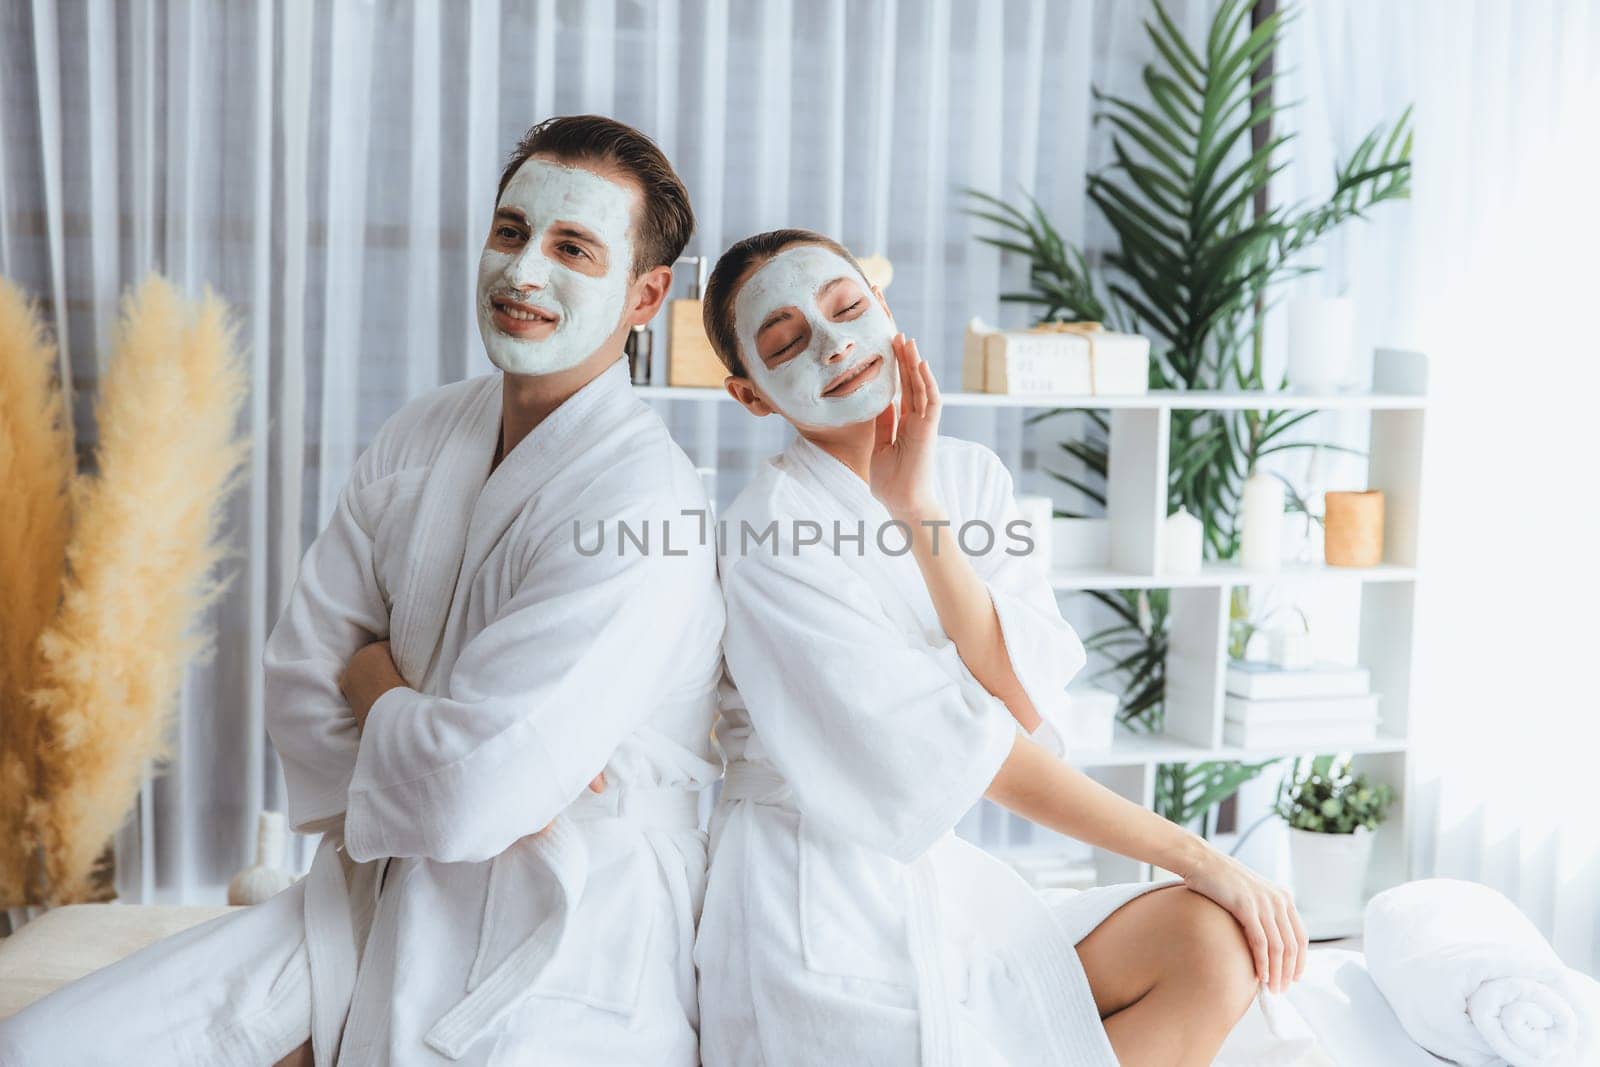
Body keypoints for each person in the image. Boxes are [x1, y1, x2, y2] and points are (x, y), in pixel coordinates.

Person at [0, 115, 724, 1067]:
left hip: (569, 923)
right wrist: (475, 764)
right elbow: (305, 672)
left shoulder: (645, 501)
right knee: (47, 1044)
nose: (523, 274)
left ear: (646, 295)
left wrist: (384, 685)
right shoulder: (426, 431)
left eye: (572, 248)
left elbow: (475, 786)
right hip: (368, 889)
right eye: (510, 231)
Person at [692, 229, 1308, 1067]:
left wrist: (917, 510)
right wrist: (1195, 853)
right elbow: (969, 755)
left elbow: (1023, 706)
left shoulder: (970, 477)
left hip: (947, 892)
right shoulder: (768, 533)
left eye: (847, 307)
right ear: (752, 394)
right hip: (814, 898)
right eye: (788, 340)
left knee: (1210, 944)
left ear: (885, 311)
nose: (834, 342)